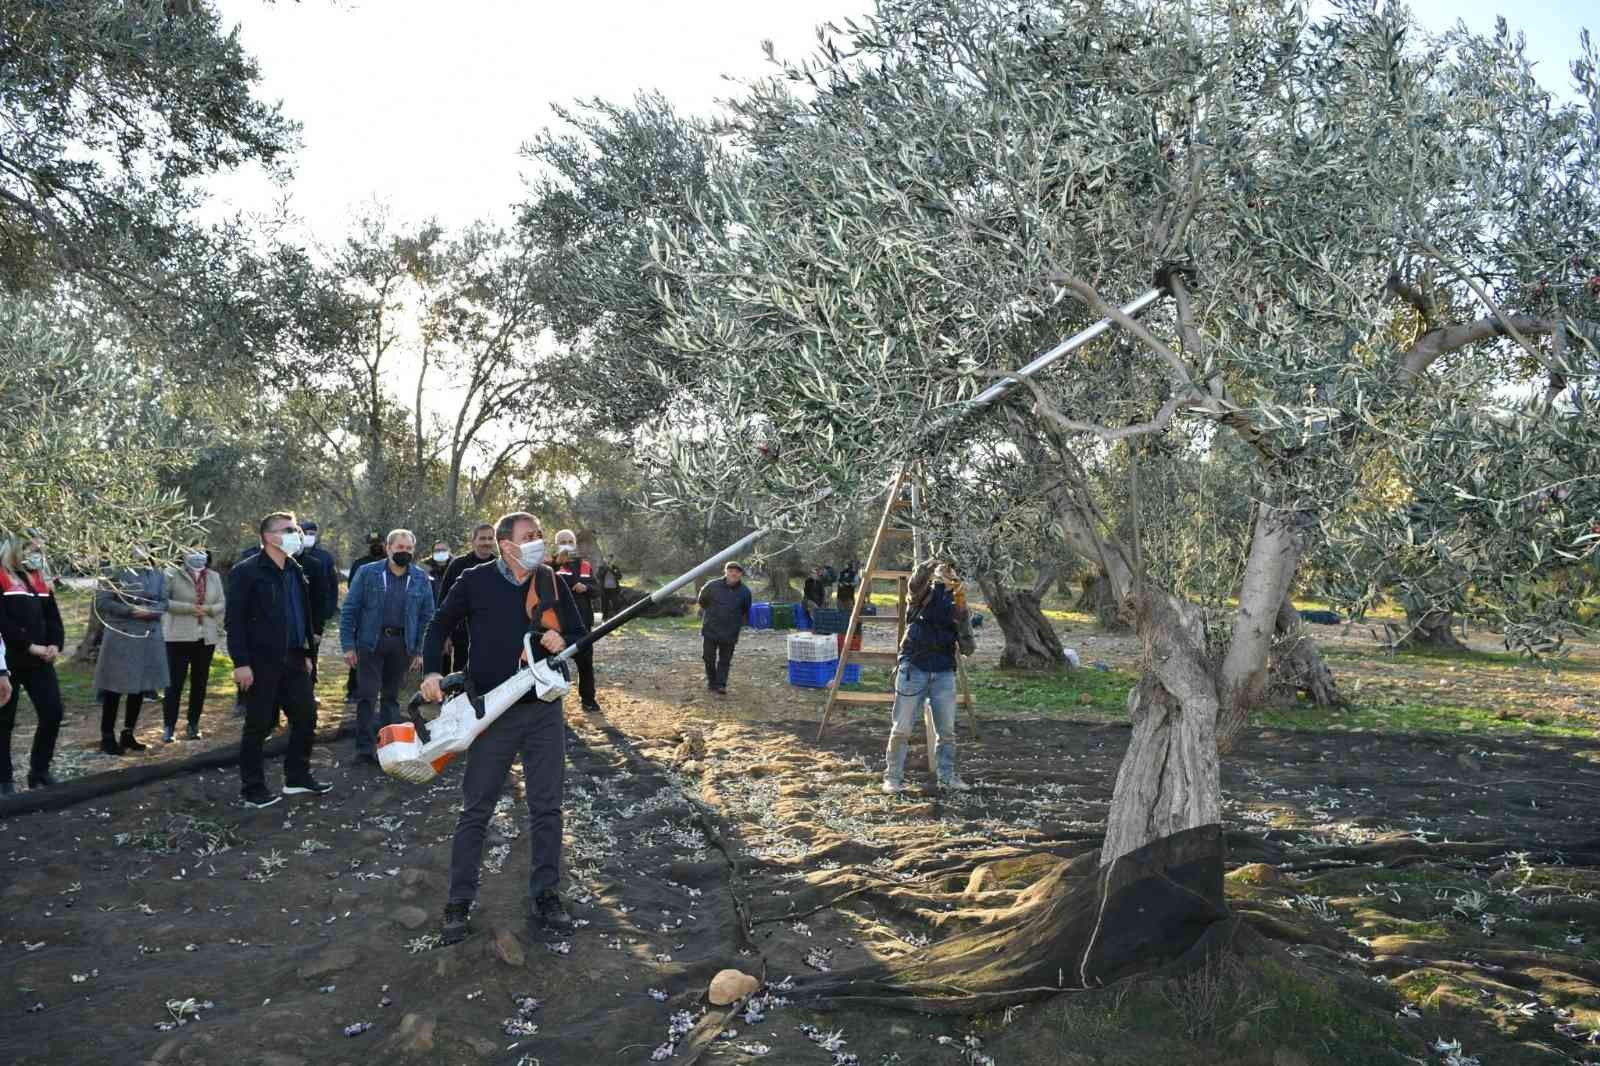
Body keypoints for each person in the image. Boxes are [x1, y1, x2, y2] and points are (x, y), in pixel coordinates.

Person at [420, 511, 586, 945]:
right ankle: (459, 901)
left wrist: (563, 642)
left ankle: (546, 894)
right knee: (476, 809)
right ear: (506, 544)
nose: (539, 541)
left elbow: (579, 635)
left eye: (540, 534)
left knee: (547, 807)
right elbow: (439, 624)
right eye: (530, 536)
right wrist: (433, 671)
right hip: (491, 713)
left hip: (543, 711)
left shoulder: (550, 581)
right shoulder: (474, 581)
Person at [227, 512, 332, 808]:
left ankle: (296, 777)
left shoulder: (296, 569)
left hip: (296, 658)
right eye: (288, 529)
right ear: (268, 537)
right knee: (259, 725)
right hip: (261, 661)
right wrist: (241, 663)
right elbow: (234, 621)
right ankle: (253, 789)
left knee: (306, 717)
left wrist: (308, 654)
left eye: (295, 528)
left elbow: (302, 614)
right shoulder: (246, 571)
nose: (296, 534)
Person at [340, 529, 435, 768]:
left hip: (402, 645)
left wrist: (420, 651)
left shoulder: (420, 578)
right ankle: (364, 749)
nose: (405, 552)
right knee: (367, 696)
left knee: (391, 698)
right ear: (388, 548)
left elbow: (427, 616)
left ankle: (389, 750)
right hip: (370, 643)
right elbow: (350, 609)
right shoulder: (368, 572)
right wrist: (348, 645)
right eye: (400, 547)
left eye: (409, 548)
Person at [882, 560, 976, 794]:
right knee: (901, 729)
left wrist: (961, 609)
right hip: (914, 667)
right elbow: (915, 582)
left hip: (943, 671)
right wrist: (931, 562)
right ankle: (892, 779)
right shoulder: (922, 593)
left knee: (947, 732)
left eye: (952, 570)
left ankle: (947, 777)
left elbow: (968, 647)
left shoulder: (958, 601)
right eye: (945, 568)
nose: (948, 572)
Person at [0, 533, 66, 792]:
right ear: (16, 548)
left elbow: (53, 617)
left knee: (53, 712)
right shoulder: (2, 576)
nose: (36, 554)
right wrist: (28, 645)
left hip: (40, 661)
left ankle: (39, 770)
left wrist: (55, 644)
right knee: (4, 721)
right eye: (31, 549)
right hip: (8, 660)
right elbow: (3, 622)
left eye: (39, 550)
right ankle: (4, 780)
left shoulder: (39, 579)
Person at [94, 550, 169, 756]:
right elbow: (102, 602)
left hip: (149, 635)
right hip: (122, 635)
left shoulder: (157, 572)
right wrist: (131, 610)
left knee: (140, 687)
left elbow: (165, 602)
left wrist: (152, 611)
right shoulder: (112, 569)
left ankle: (128, 733)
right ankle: (107, 737)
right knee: (114, 688)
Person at [162, 547, 224, 742]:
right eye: (193, 552)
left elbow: (221, 603)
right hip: (177, 637)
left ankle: (193, 724)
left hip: (206, 638)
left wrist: (206, 610)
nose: (198, 557)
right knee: (174, 684)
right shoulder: (171, 574)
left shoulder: (214, 576)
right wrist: (190, 609)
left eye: (201, 553)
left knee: (200, 683)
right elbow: (163, 601)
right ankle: (169, 726)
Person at [550, 529, 601, 713]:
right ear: (556, 544)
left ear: (575, 543)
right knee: (553, 666)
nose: (566, 544)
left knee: (585, 664)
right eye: (562, 541)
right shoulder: (550, 565)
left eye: (570, 541)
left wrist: (585, 588)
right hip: (557, 625)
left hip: (582, 623)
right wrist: (556, 564)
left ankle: (588, 700)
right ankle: (553, 706)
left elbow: (597, 590)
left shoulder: (585, 565)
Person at [438, 523, 496, 675]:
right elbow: (443, 600)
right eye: (482, 538)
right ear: (473, 541)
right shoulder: (458, 565)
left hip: (492, 635)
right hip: (462, 635)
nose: (487, 542)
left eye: (490, 538)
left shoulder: (501, 566)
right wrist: (444, 635)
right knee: (461, 677)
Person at [697, 561, 752, 696]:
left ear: (741, 574)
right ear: (725, 572)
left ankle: (721, 684)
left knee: (725, 660)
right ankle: (712, 682)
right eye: (731, 570)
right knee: (708, 657)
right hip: (711, 628)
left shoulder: (745, 592)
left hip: (730, 630)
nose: (734, 573)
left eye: (737, 572)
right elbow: (702, 601)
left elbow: (745, 609)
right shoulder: (712, 585)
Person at [344, 532, 387, 702]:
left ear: (385, 543)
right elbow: (352, 590)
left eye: (379, 542)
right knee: (360, 654)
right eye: (372, 543)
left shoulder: (392, 563)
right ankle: (354, 690)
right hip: (365, 616)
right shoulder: (360, 564)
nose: (376, 546)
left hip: (387, 617)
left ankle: (381, 690)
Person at [299, 520, 340, 700]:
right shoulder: (290, 555)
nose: (309, 537)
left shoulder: (324, 557)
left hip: (315, 615)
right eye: (306, 533)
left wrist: (328, 611)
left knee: (312, 652)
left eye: (312, 534)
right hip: (295, 614)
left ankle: (309, 690)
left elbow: (331, 586)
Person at [596, 554, 623, 620]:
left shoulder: (615, 567)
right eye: (607, 558)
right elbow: (599, 576)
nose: (609, 560)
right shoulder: (601, 567)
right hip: (604, 590)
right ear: (604, 559)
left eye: (610, 558)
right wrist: (606, 568)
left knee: (616, 604)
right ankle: (604, 618)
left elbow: (619, 577)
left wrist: (612, 570)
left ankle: (618, 617)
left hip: (614, 589)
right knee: (604, 605)